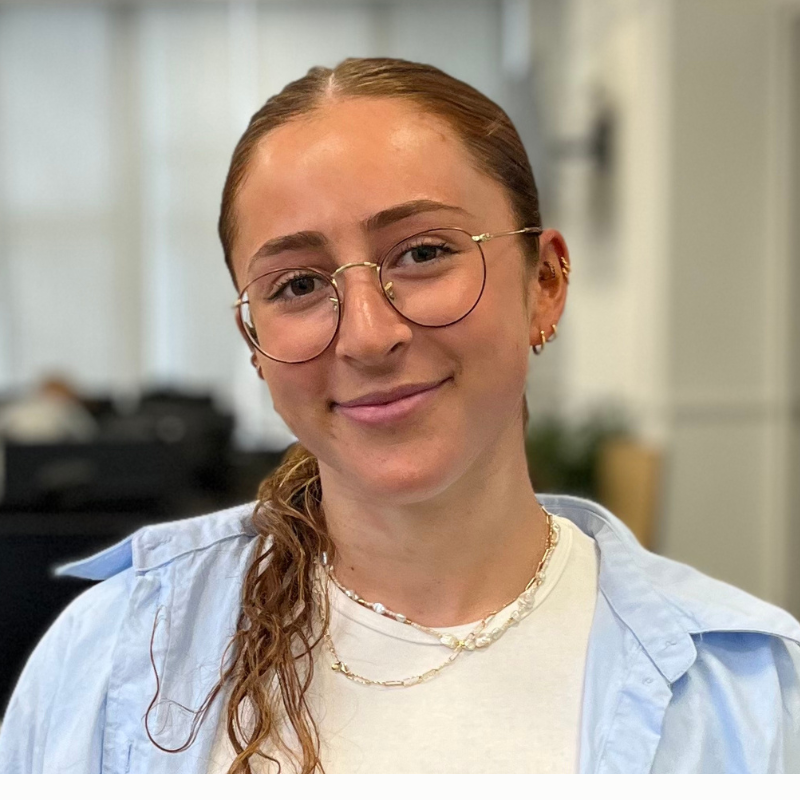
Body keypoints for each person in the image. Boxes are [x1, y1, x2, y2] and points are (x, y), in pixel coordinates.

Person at [1, 57, 799, 775]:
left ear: (546, 283)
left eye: (422, 254)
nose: (370, 335)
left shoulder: (755, 691)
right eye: (298, 286)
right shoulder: (112, 658)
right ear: (255, 342)